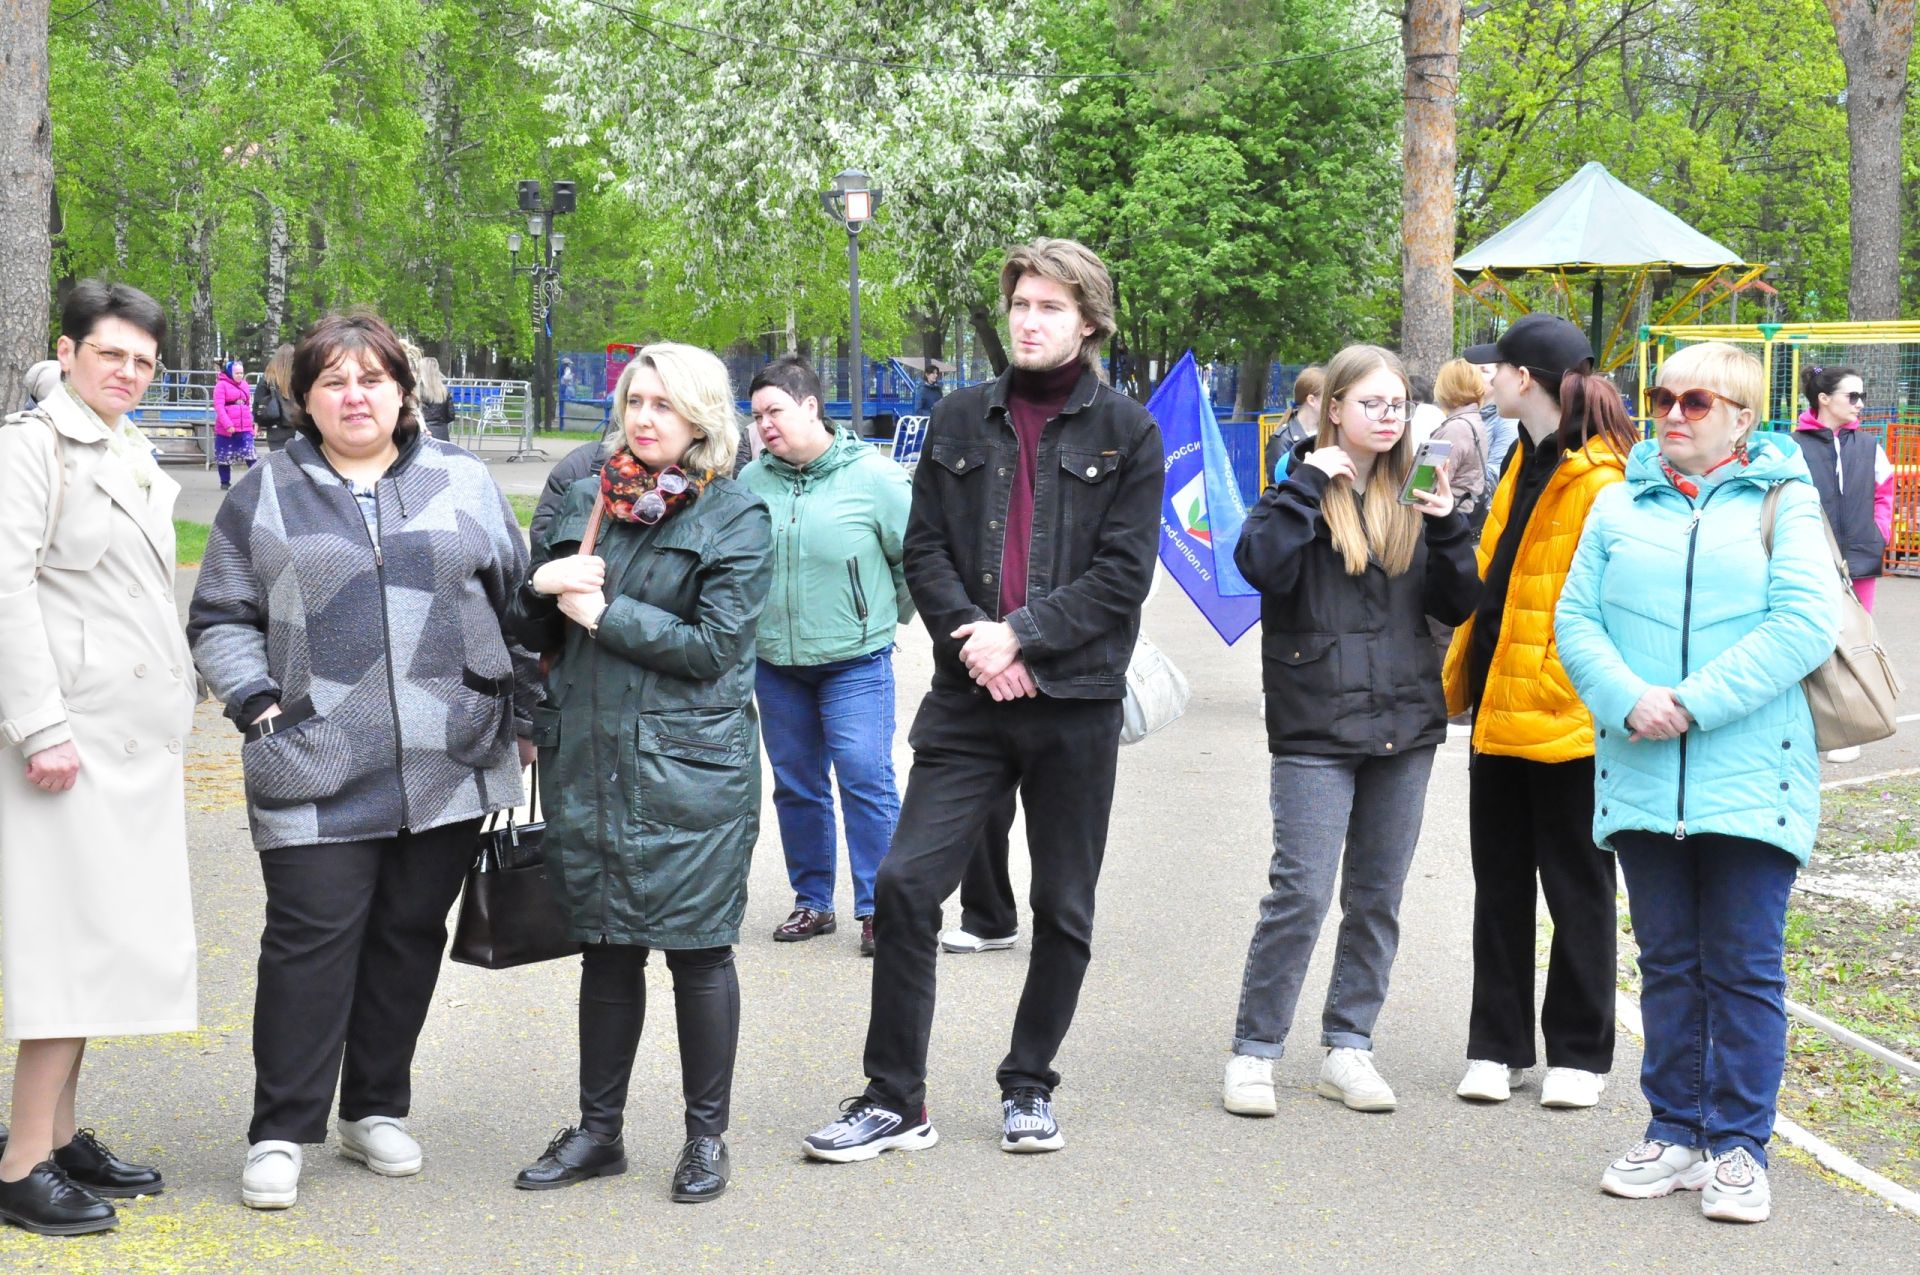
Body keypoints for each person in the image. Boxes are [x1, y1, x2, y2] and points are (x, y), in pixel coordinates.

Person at [802, 238, 1163, 1162]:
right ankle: (895, 1099)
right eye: (1020, 306)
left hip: (1074, 700)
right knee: (905, 883)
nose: (1030, 321)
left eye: (1050, 307)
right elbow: (923, 549)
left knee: (1066, 907)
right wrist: (977, 638)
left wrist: (1025, 635)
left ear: (1088, 320)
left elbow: (1123, 577)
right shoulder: (958, 417)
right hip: (969, 697)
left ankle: (1029, 1085)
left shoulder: (1128, 429)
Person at [188, 312, 539, 1211]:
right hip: (312, 756)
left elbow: (518, 608)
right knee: (308, 943)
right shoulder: (266, 491)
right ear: (303, 398)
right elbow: (221, 615)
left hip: (449, 757)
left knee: (407, 936)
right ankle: (281, 1128)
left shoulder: (463, 480)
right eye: (334, 382)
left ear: (403, 391)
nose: (356, 396)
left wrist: (521, 713)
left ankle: (375, 1107)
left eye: (373, 379)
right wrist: (260, 707)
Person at [1557, 341, 1839, 1225]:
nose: (1673, 412)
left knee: (1746, 968)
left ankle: (1739, 1148)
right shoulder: (1612, 503)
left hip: (1752, 779)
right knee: (1668, 963)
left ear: (1743, 416)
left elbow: (1803, 622)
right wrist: (1627, 698)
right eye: (1663, 396)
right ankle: (1673, 1130)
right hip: (1643, 772)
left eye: (1697, 400)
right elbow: (1575, 619)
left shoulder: (1785, 501)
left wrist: (1688, 703)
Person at [505, 342, 770, 1204]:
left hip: (689, 773)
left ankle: (705, 1139)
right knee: (607, 952)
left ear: (701, 416)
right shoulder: (585, 499)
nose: (644, 417)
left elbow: (714, 650)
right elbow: (538, 636)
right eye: (634, 400)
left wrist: (609, 613)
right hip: (591, 761)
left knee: (698, 953)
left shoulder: (735, 516)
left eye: (663, 403)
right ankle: (598, 1132)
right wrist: (539, 586)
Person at [1220, 344, 1479, 1118]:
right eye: (1371, 402)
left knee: (1377, 896)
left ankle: (1349, 1044)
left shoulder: (1420, 489)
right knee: (1299, 891)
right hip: (1315, 721)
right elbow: (1258, 564)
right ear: (1334, 407)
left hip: (1406, 719)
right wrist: (1307, 484)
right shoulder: (1298, 486)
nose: (1387, 415)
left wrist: (1447, 531)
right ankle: (1254, 1051)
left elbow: (1459, 602)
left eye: (1398, 403)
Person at [0, 281, 197, 1236]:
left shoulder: (120, 444)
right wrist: (40, 727)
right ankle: (22, 1158)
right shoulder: (30, 448)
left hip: (125, 739)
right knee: (66, 951)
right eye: (111, 354)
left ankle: (60, 1134)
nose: (128, 372)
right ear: (69, 351)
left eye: (144, 362)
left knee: (102, 944)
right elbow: (5, 591)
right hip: (68, 740)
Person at [1442, 313, 1636, 1111]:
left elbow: (1607, 604)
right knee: (1499, 885)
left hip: (1568, 717)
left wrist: (1569, 685)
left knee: (1578, 886)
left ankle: (1581, 1053)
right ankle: (1497, 1045)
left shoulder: (1602, 477)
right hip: (1498, 711)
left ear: (1526, 379)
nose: (1486, 380)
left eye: (1497, 369)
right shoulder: (1517, 456)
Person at [741, 357, 912, 956]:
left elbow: (914, 558)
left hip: (854, 661)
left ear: (811, 406)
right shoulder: (751, 484)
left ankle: (880, 909)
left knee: (866, 777)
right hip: (776, 663)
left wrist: (882, 617)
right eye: (756, 415)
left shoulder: (875, 477)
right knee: (796, 784)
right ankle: (813, 901)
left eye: (775, 412)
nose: (764, 425)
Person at [1791, 364, 1894, 763]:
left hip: (1861, 558)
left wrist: (1879, 532)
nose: (1860, 404)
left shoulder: (1870, 447)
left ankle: (1848, 725)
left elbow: (1884, 495)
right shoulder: (1793, 447)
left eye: (1862, 396)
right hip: (1809, 557)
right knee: (1809, 635)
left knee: (1854, 641)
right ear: (1824, 399)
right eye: (1853, 396)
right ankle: (1807, 721)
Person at [1429, 359, 1491, 534]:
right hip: (1465, 512)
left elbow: (1433, 481)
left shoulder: (1456, 428)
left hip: (1448, 518)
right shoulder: (1474, 420)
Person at [1268, 366, 1324, 486]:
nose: (1333, 403)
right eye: (1327, 397)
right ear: (1311, 400)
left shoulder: (1329, 432)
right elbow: (1277, 488)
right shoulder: (1282, 439)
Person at [213, 357, 257, 489]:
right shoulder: (221, 385)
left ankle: (256, 479)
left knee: (250, 453)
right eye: (237, 373)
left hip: (244, 426)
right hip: (227, 428)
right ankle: (225, 482)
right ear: (230, 372)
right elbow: (219, 407)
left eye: (241, 373)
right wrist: (228, 424)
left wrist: (252, 423)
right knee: (224, 456)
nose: (240, 376)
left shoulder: (245, 385)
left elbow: (248, 404)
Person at [1477, 361, 1519, 490]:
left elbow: (1497, 474)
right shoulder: (1474, 414)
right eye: (1474, 370)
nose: (1475, 375)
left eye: (1484, 371)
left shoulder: (1507, 421)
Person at [252, 344, 295, 450]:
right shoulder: (299, 378)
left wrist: (257, 421)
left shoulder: (268, 378)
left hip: (275, 427)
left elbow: (257, 402)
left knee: (278, 462)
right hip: (296, 426)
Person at [416, 355, 455, 442]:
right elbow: (451, 415)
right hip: (442, 433)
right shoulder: (444, 391)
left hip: (423, 431)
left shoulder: (416, 391)